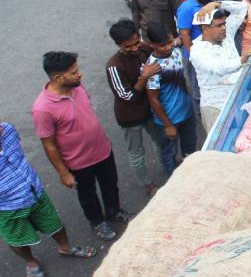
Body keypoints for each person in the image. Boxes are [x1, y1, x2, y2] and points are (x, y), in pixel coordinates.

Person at [32, 52, 127, 242]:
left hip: (102, 150)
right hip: (78, 162)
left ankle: (113, 210)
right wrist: (63, 173)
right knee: (88, 194)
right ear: (58, 78)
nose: (80, 74)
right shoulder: (42, 108)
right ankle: (97, 221)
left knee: (110, 185)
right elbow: (49, 145)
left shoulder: (77, 86)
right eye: (74, 72)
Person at [0, 122, 97, 277]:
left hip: (34, 191)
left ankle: (65, 247)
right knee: (16, 237)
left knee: (53, 222)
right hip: (7, 207)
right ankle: (31, 262)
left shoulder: (8, 130)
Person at [105, 20, 164, 197]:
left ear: (139, 36)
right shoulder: (114, 66)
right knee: (137, 152)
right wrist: (144, 77)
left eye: (136, 42)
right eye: (127, 46)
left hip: (150, 109)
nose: (134, 48)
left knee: (160, 141)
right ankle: (147, 184)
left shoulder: (145, 48)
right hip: (130, 117)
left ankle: (168, 166)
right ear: (118, 45)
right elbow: (127, 97)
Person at [144, 24, 197, 176]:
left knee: (190, 151)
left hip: (187, 113)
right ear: (151, 45)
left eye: (169, 42)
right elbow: (153, 99)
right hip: (169, 119)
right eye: (162, 45)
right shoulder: (152, 68)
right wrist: (168, 125)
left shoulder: (177, 53)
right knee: (169, 155)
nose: (168, 47)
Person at [189, 2, 251, 133]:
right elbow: (218, 68)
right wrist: (242, 60)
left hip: (237, 100)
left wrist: (215, 4)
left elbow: (241, 9)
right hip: (216, 108)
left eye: (224, 24)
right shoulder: (197, 50)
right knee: (219, 150)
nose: (224, 28)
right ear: (205, 28)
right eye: (219, 25)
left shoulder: (226, 35)